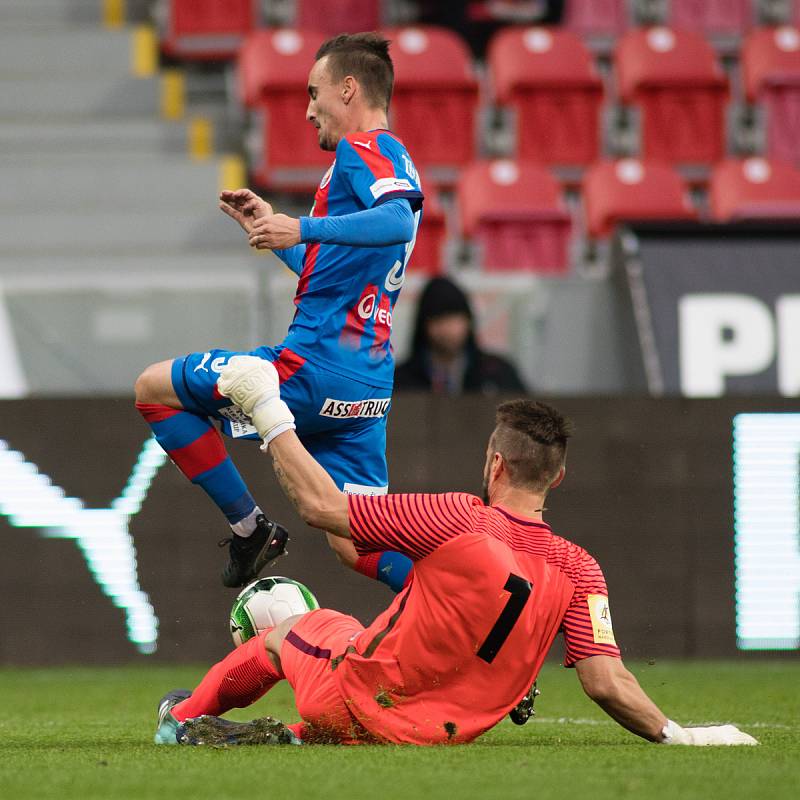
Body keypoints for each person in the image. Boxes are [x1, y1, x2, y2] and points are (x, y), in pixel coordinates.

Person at [153, 356, 757, 748]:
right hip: (437, 735)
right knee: (383, 654)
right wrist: (681, 737)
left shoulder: (457, 517)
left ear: (495, 463)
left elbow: (320, 508)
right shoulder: (579, 567)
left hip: (358, 696)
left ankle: (180, 720)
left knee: (302, 625)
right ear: (558, 478)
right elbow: (605, 682)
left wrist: (268, 410)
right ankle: (294, 737)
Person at [134, 33, 419, 590]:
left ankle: (249, 529)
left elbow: (398, 222)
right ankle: (476, 618)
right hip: (366, 387)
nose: (309, 110)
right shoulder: (392, 158)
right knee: (357, 542)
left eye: (315, 93)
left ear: (348, 88)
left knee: (153, 389)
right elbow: (340, 266)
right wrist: (275, 232)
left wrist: (302, 226)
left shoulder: (363, 150)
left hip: (312, 369)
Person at [394, 277, 527, 395]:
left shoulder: (496, 373)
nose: (447, 329)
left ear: (468, 321)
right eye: (439, 320)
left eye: (454, 318)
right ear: (424, 326)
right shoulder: (401, 380)